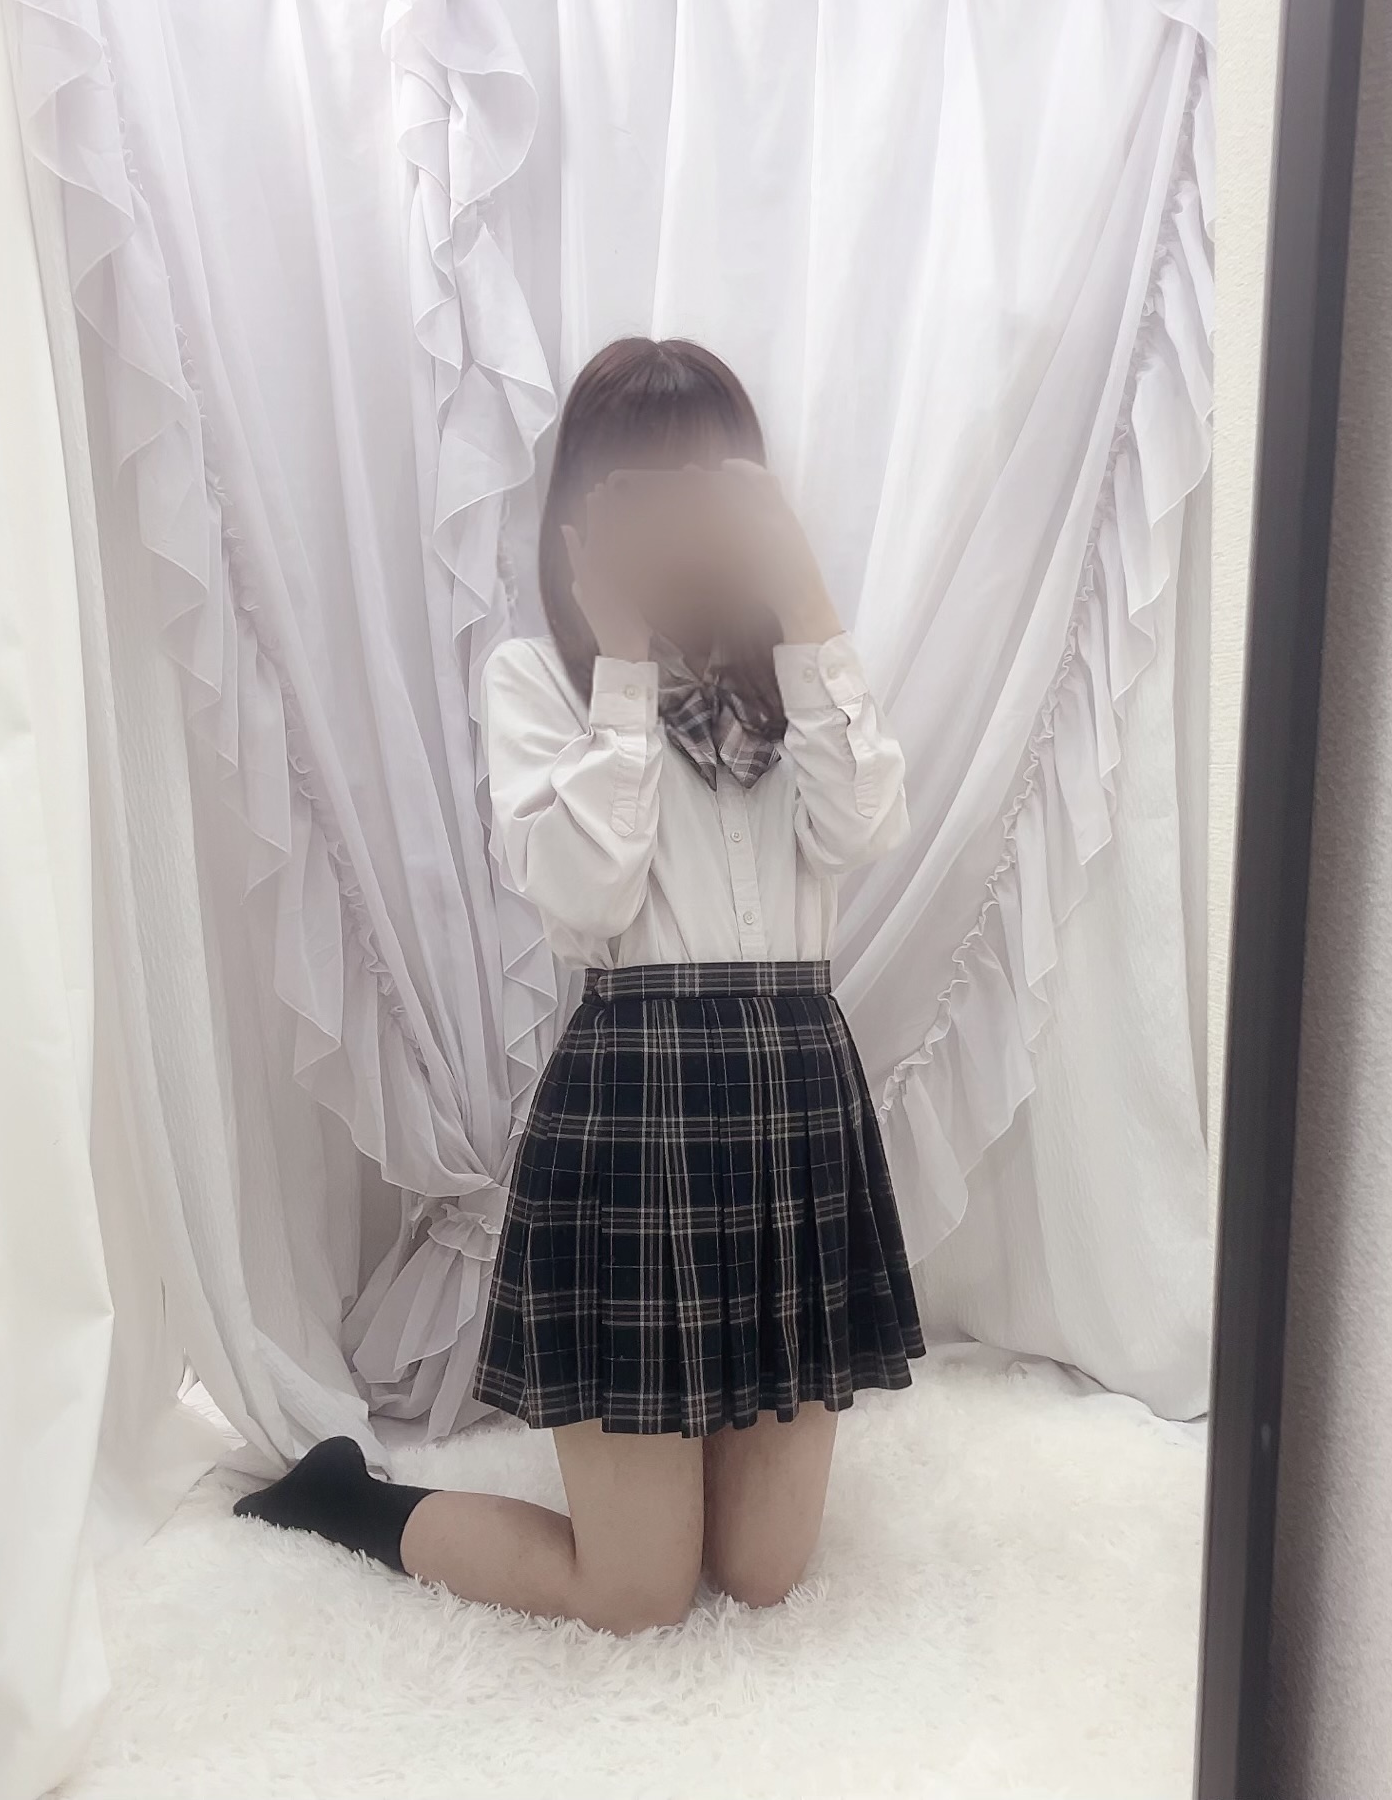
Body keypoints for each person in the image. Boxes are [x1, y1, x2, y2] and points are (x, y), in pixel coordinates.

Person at [236, 337, 924, 1632]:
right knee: (637, 1593)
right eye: (643, 485)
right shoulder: (537, 677)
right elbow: (588, 896)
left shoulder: (798, 672)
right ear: (586, 506)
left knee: (764, 1575)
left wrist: (806, 599)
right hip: (640, 1109)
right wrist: (622, 666)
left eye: (708, 481)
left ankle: (689, 1461)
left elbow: (866, 825)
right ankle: (347, 1500)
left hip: (795, 1104)